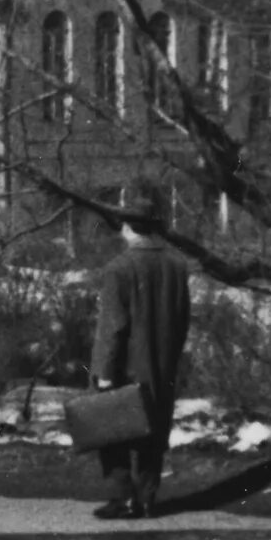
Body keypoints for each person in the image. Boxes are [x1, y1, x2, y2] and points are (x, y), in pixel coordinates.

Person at [89, 179, 191, 519]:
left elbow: (112, 328)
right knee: (154, 431)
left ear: (127, 225)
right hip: (163, 364)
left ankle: (123, 497)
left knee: (109, 429)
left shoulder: (118, 269)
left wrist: (103, 372)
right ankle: (147, 498)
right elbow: (183, 320)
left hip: (126, 366)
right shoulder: (177, 266)